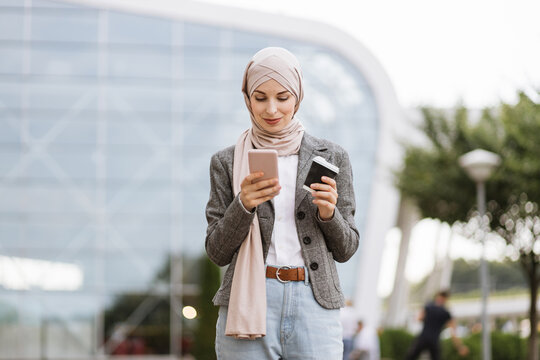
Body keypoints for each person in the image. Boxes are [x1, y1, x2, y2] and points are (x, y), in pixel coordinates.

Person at [205, 47, 360, 360]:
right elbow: (217, 252)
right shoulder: (227, 161)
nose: (271, 109)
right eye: (260, 97)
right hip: (249, 302)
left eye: (282, 97)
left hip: (314, 302)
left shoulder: (331, 157)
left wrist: (329, 214)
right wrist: (243, 206)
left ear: (298, 97)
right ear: (247, 98)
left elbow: (347, 248)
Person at [405, 290, 469, 360]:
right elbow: (453, 332)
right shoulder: (446, 313)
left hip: (423, 337)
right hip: (434, 340)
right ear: (446, 299)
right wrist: (460, 347)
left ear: (437, 297)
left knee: (410, 357)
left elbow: (419, 318)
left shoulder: (428, 307)